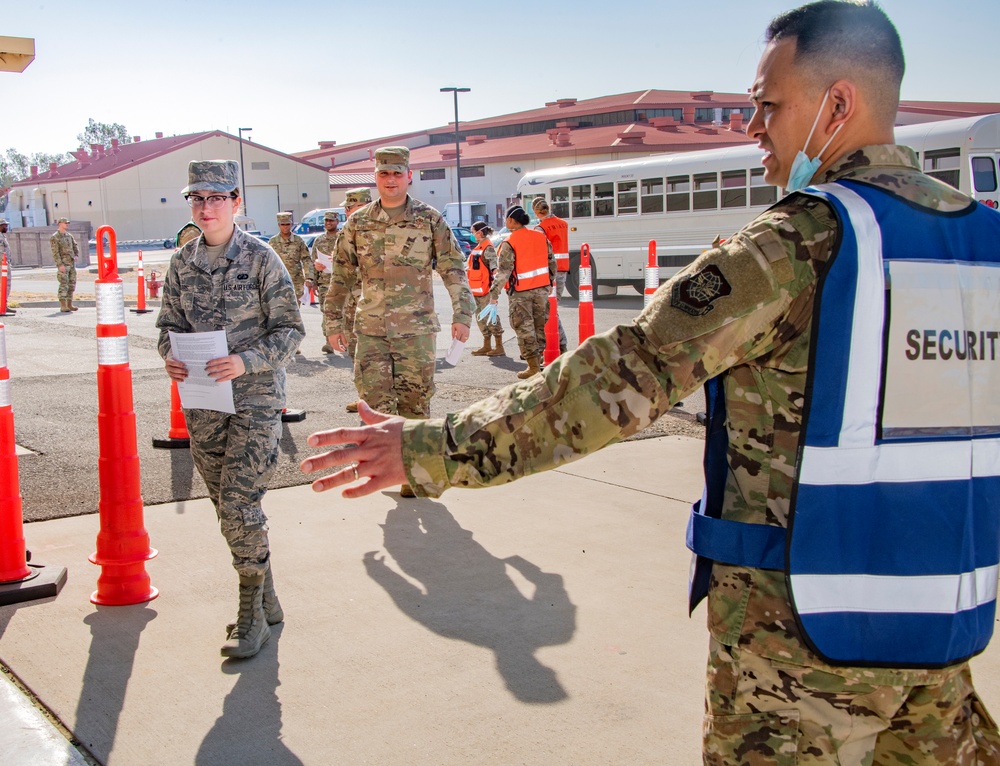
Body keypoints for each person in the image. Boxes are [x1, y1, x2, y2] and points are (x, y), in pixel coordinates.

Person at [300, 2, 1000, 761]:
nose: (753, 127)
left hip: (800, 656)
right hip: (943, 634)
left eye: (767, 105)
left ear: (837, 104)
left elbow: (617, 378)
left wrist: (434, 448)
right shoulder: (985, 245)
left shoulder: (799, 244)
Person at [156, 160, 304, 659]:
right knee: (227, 508)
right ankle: (267, 597)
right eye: (197, 198)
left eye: (216, 197)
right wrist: (169, 357)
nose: (205, 206)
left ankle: (250, 617)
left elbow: (291, 332)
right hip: (203, 402)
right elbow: (166, 326)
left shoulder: (262, 258)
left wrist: (245, 361)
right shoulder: (181, 262)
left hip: (255, 398)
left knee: (240, 503)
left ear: (236, 203)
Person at [324, 146, 473, 497]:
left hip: (416, 330)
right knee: (374, 405)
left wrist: (463, 314)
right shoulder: (358, 222)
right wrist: (332, 322)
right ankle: (384, 470)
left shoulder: (429, 219)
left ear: (409, 176)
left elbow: (453, 268)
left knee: (415, 404)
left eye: (397, 173)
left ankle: (414, 476)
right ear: (375, 177)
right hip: (371, 331)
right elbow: (341, 277)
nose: (390, 180)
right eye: (383, 173)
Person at [488, 205, 554, 379]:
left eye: (506, 219)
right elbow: (551, 262)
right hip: (542, 289)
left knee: (524, 327)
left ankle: (533, 366)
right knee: (539, 325)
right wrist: (551, 282)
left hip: (521, 293)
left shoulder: (510, 242)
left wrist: (494, 295)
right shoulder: (541, 237)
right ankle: (538, 362)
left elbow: (503, 272)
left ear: (511, 220)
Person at [322, 187, 372, 413]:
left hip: (373, 305)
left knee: (375, 354)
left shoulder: (378, 231)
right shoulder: (347, 233)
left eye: (350, 207)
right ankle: (364, 398)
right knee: (355, 350)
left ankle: (376, 402)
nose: (347, 211)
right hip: (351, 302)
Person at [531, 197, 568, 354]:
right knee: (553, 306)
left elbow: (539, 251)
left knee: (548, 308)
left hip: (549, 271)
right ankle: (558, 344)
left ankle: (559, 344)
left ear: (536, 212)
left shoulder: (541, 228)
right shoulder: (563, 224)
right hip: (563, 269)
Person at [466, 221, 505, 358]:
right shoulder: (479, 247)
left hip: (486, 290)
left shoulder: (487, 248)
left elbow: (494, 267)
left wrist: (495, 290)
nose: (472, 234)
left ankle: (499, 346)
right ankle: (487, 344)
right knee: (480, 318)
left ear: (480, 232)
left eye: (473, 231)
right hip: (476, 290)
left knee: (491, 316)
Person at [269, 211, 314, 304]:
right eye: (283, 224)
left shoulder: (298, 241)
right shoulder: (273, 242)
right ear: (279, 225)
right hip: (278, 282)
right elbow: (268, 262)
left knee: (295, 311)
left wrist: (309, 277)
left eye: (287, 224)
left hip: (296, 282)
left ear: (291, 224)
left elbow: (306, 259)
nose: (285, 227)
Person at [311, 210, 340, 354]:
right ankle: (329, 341)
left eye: (331, 221)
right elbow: (313, 261)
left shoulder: (343, 238)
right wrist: (313, 281)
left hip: (342, 282)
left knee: (345, 311)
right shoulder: (319, 240)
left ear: (337, 221)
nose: (328, 223)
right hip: (324, 283)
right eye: (326, 221)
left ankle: (345, 339)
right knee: (326, 312)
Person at [50, 217, 79, 312]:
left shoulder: (69, 236)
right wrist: (60, 265)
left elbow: (75, 246)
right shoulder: (55, 237)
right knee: (64, 284)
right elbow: (55, 252)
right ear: (60, 223)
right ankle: (63, 305)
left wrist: (76, 255)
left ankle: (69, 304)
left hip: (71, 264)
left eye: (67, 223)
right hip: (63, 264)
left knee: (71, 284)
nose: (67, 224)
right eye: (65, 223)